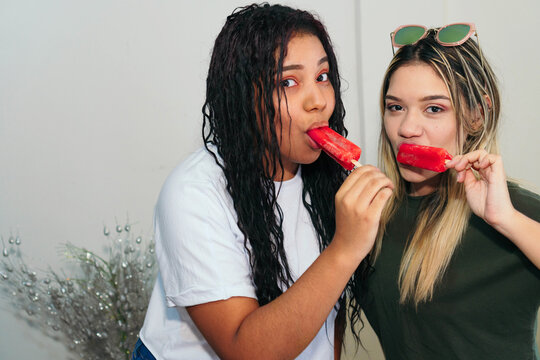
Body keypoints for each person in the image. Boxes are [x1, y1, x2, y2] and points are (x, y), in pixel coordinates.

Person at [132, 4, 393, 360]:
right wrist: (345, 248)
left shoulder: (326, 178)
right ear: (244, 97)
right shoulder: (192, 194)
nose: (318, 101)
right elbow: (245, 351)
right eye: (288, 82)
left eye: (323, 76)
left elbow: (327, 314)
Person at [348, 23, 540, 359]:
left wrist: (506, 219)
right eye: (395, 107)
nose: (407, 128)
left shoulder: (517, 211)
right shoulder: (367, 215)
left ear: (476, 115)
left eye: (434, 108)